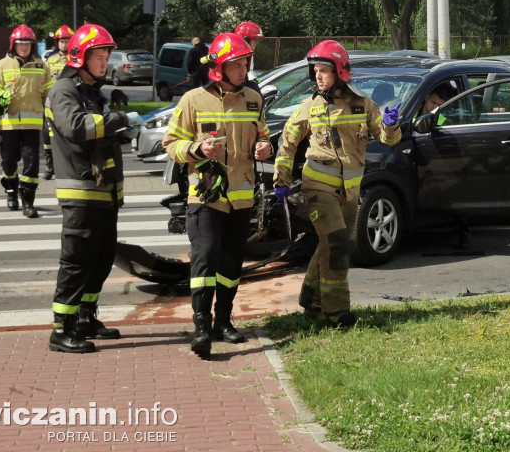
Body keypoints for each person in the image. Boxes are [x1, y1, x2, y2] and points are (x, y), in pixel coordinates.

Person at [274, 40, 401, 328]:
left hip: (350, 191)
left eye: (323, 71)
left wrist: (391, 124)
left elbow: (388, 140)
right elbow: (286, 144)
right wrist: (281, 179)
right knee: (337, 242)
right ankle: (337, 312)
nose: (317, 76)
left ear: (340, 72)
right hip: (317, 187)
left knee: (330, 243)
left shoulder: (363, 104)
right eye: (315, 71)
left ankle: (311, 299)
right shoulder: (308, 107)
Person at [163, 32, 273, 358]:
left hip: (241, 197)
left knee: (230, 265)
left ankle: (224, 321)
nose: (242, 70)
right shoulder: (192, 100)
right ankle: (202, 327)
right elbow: (171, 144)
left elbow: (262, 136)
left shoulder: (253, 99)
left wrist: (264, 147)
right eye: (235, 64)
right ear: (218, 68)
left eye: (244, 63)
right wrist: (198, 148)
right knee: (205, 258)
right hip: (205, 197)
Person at [46, 24, 131, 353]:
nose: (106, 60)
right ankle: (61, 329)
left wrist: (118, 123)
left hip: (103, 190)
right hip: (81, 190)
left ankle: (85, 317)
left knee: (102, 257)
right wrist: (116, 120)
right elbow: (76, 127)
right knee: (78, 260)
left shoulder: (92, 91)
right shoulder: (64, 89)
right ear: (81, 56)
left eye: (107, 54)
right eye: (100, 54)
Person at [0, 24, 53, 218]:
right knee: (9, 161)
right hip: (9, 124)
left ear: (33, 46)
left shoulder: (41, 66)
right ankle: (11, 191)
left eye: (27, 44)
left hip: (32, 125)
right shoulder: (2, 65)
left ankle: (28, 202)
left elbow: (50, 95)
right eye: (20, 44)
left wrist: (57, 118)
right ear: (13, 45)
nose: (23, 48)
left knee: (31, 164)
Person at [41, 25, 74, 180]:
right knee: (48, 136)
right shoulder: (51, 61)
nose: (64, 44)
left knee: (68, 134)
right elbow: (44, 81)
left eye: (67, 41)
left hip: (69, 104)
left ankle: (69, 165)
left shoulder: (75, 60)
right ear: (57, 42)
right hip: (51, 104)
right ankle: (50, 165)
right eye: (61, 41)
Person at [234, 21, 264, 86]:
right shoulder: (235, 56)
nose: (256, 43)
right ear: (246, 39)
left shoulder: (249, 55)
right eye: (255, 39)